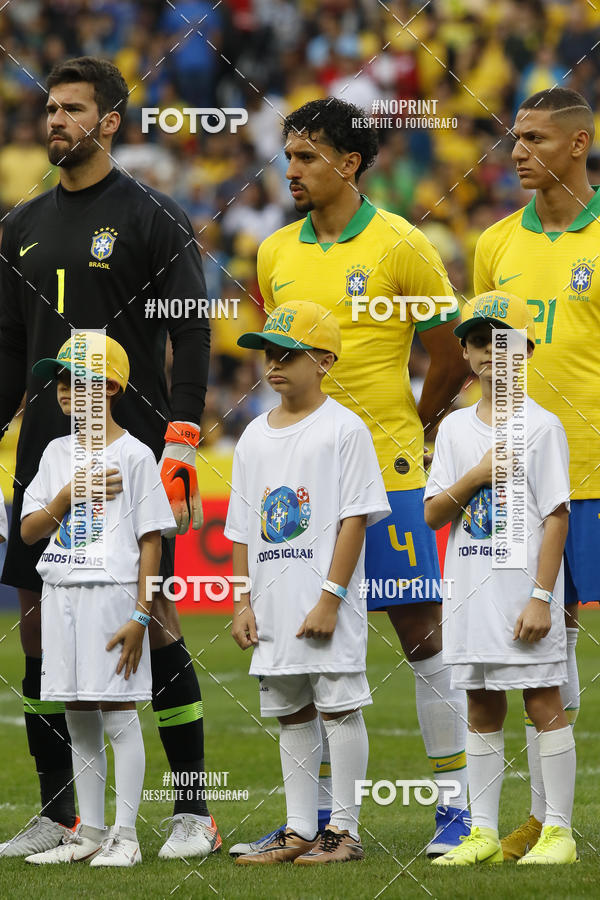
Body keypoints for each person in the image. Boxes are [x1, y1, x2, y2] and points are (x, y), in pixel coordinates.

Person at [232, 97, 471, 858]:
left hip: (393, 471)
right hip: (304, 486)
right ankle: (323, 825)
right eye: (288, 155)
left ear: (350, 164)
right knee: (307, 644)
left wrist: (417, 430)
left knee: (420, 634)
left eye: (306, 157)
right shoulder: (273, 251)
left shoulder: (404, 244)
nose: (291, 169)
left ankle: (456, 810)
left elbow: (452, 351)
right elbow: (284, 352)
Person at [0, 57, 217, 860]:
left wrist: (184, 435)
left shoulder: (154, 216)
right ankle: (60, 815)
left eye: (72, 109)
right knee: (36, 630)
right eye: (49, 108)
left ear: (111, 122)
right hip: (44, 456)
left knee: (152, 618)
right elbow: (8, 349)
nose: (54, 120)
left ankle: (193, 809)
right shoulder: (18, 228)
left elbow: (192, 331)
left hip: (133, 445)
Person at [473, 87, 598, 858]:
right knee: (549, 644)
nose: (517, 152)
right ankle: (551, 817)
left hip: (595, 476)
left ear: (580, 144)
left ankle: (553, 817)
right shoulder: (494, 244)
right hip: (523, 482)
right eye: (513, 138)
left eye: (535, 139)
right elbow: (478, 359)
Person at [226, 301, 391, 864]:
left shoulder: (344, 429)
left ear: (324, 360)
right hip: (271, 604)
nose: (274, 364)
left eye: (288, 354)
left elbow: (355, 519)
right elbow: (243, 526)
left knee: (339, 707)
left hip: (325, 603)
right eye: (268, 353)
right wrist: (242, 599)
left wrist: (331, 598)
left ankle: (344, 831)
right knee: (291, 712)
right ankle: (299, 829)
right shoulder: (250, 435)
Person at [425, 291, 577, 866]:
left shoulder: (543, 427)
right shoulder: (457, 430)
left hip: (521, 593)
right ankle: (482, 832)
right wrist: (477, 475)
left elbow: (555, 516)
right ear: (464, 352)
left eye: (503, 340)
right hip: (469, 590)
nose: (490, 351)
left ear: (526, 351)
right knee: (482, 706)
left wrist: (542, 597)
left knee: (543, 700)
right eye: (479, 341)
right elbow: (435, 512)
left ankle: (558, 832)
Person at [22, 333, 175, 866]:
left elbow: (151, 537)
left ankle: (127, 837)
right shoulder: (54, 453)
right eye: (60, 380)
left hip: (111, 598)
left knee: (118, 712)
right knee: (77, 711)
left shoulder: (134, 455)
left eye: (78, 379)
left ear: (110, 386)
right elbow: (28, 530)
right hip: (60, 592)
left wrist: (141, 613)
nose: (65, 390)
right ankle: (91, 832)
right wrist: (67, 497)